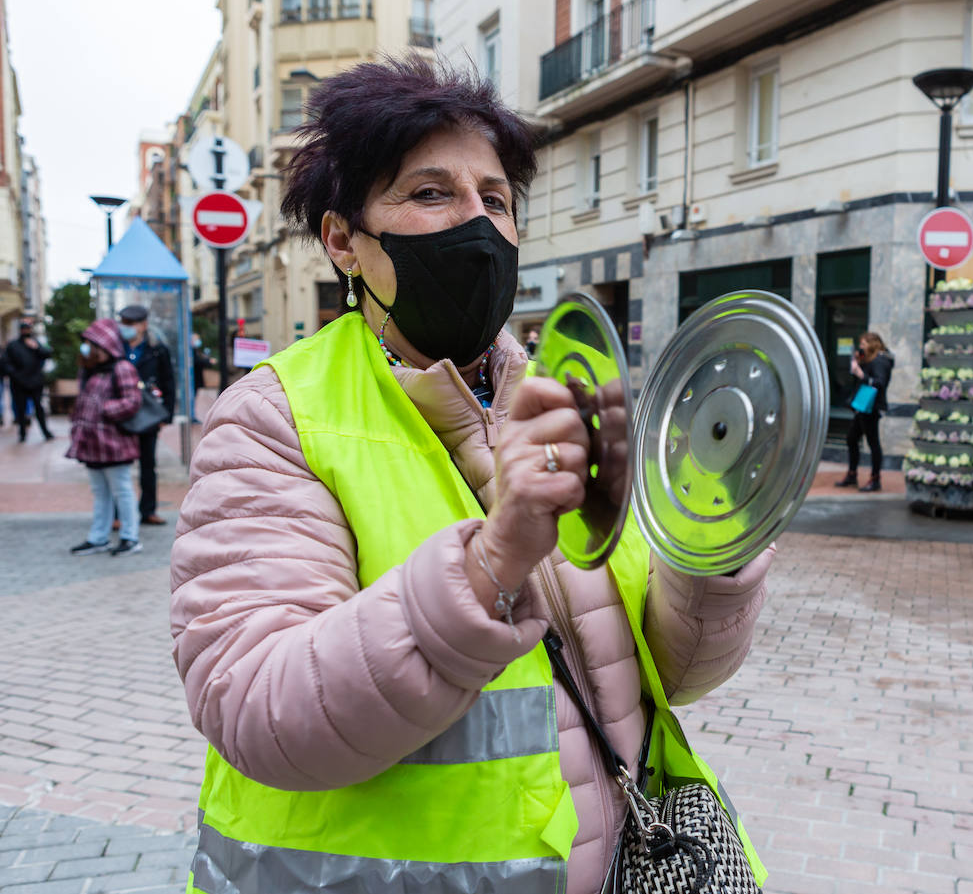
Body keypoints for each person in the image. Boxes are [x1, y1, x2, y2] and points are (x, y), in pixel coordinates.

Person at [169, 57, 772, 894]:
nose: (476, 224)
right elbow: (261, 708)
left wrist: (712, 545)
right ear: (344, 240)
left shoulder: (563, 392)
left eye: (495, 199)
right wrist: (492, 560)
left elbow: (662, 673)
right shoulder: (273, 417)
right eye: (429, 194)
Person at [66, 319, 144, 557]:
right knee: (100, 492)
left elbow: (133, 401)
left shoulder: (121, 368)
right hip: (91, 444)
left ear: (104, 345)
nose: (87, 348)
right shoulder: (89, 370)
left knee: (122, 491)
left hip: (114, 443)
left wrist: (105, 408)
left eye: (91, 344)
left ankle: (130, 537)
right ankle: (98, 538)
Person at [117, 305, 176, 525]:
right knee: (118, 466)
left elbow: (168, 381)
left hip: (148, 415)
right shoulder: (116, 348)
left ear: (143, 325)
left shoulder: (157, 349)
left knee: (148, 465)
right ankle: (117, 515)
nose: (127, 328)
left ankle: (148, 510)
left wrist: (165, 416)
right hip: (121, 414)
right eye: (124, 323)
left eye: (131, 324)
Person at [836, 331, 894, 492]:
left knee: (873, 443)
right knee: (851, 438)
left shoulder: (881, 361)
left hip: (872, 407)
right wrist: (857, 362)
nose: (861, 347)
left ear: (872, 344)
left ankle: (875, 480)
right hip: (864, 407)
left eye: (863, 344)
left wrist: (861, 373)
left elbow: (879, 383)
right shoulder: (871, 360)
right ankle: (852, 475)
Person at [5, 320, 55, 442]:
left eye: (28, 329)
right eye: (24, 329)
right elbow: (6, 363)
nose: (26, 331)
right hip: (19, 382)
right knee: (20, 409)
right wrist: (15, 375)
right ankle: (22, 434)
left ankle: (45, 432)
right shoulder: (13, 345)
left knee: (39, 407)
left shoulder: (35, 343)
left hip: (35, 382)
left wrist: (36, 347)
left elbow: (47, 353)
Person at [190, 333, 213, 423]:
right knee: (192, 396)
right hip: (193, 378)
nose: (198, 341)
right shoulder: (191, 351)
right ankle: (191, 415)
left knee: (194, 396)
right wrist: (207, 361)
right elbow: (197, 361)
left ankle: (192, 415)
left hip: (196, 378)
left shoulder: (195, 350)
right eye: (196, 339)